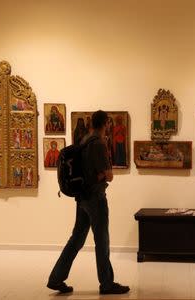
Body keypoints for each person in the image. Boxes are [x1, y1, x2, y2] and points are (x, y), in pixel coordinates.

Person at [47, 110, 129, 295]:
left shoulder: (84, 140)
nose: (109, 126)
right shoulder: (99, 144)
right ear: (106, 124)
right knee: (102, 240)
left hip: (82, 197)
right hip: (95, 198)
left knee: (76, 238)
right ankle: (107, 283)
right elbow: (109, 175)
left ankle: (56, 278)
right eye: (109, 124)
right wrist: (104, 174)